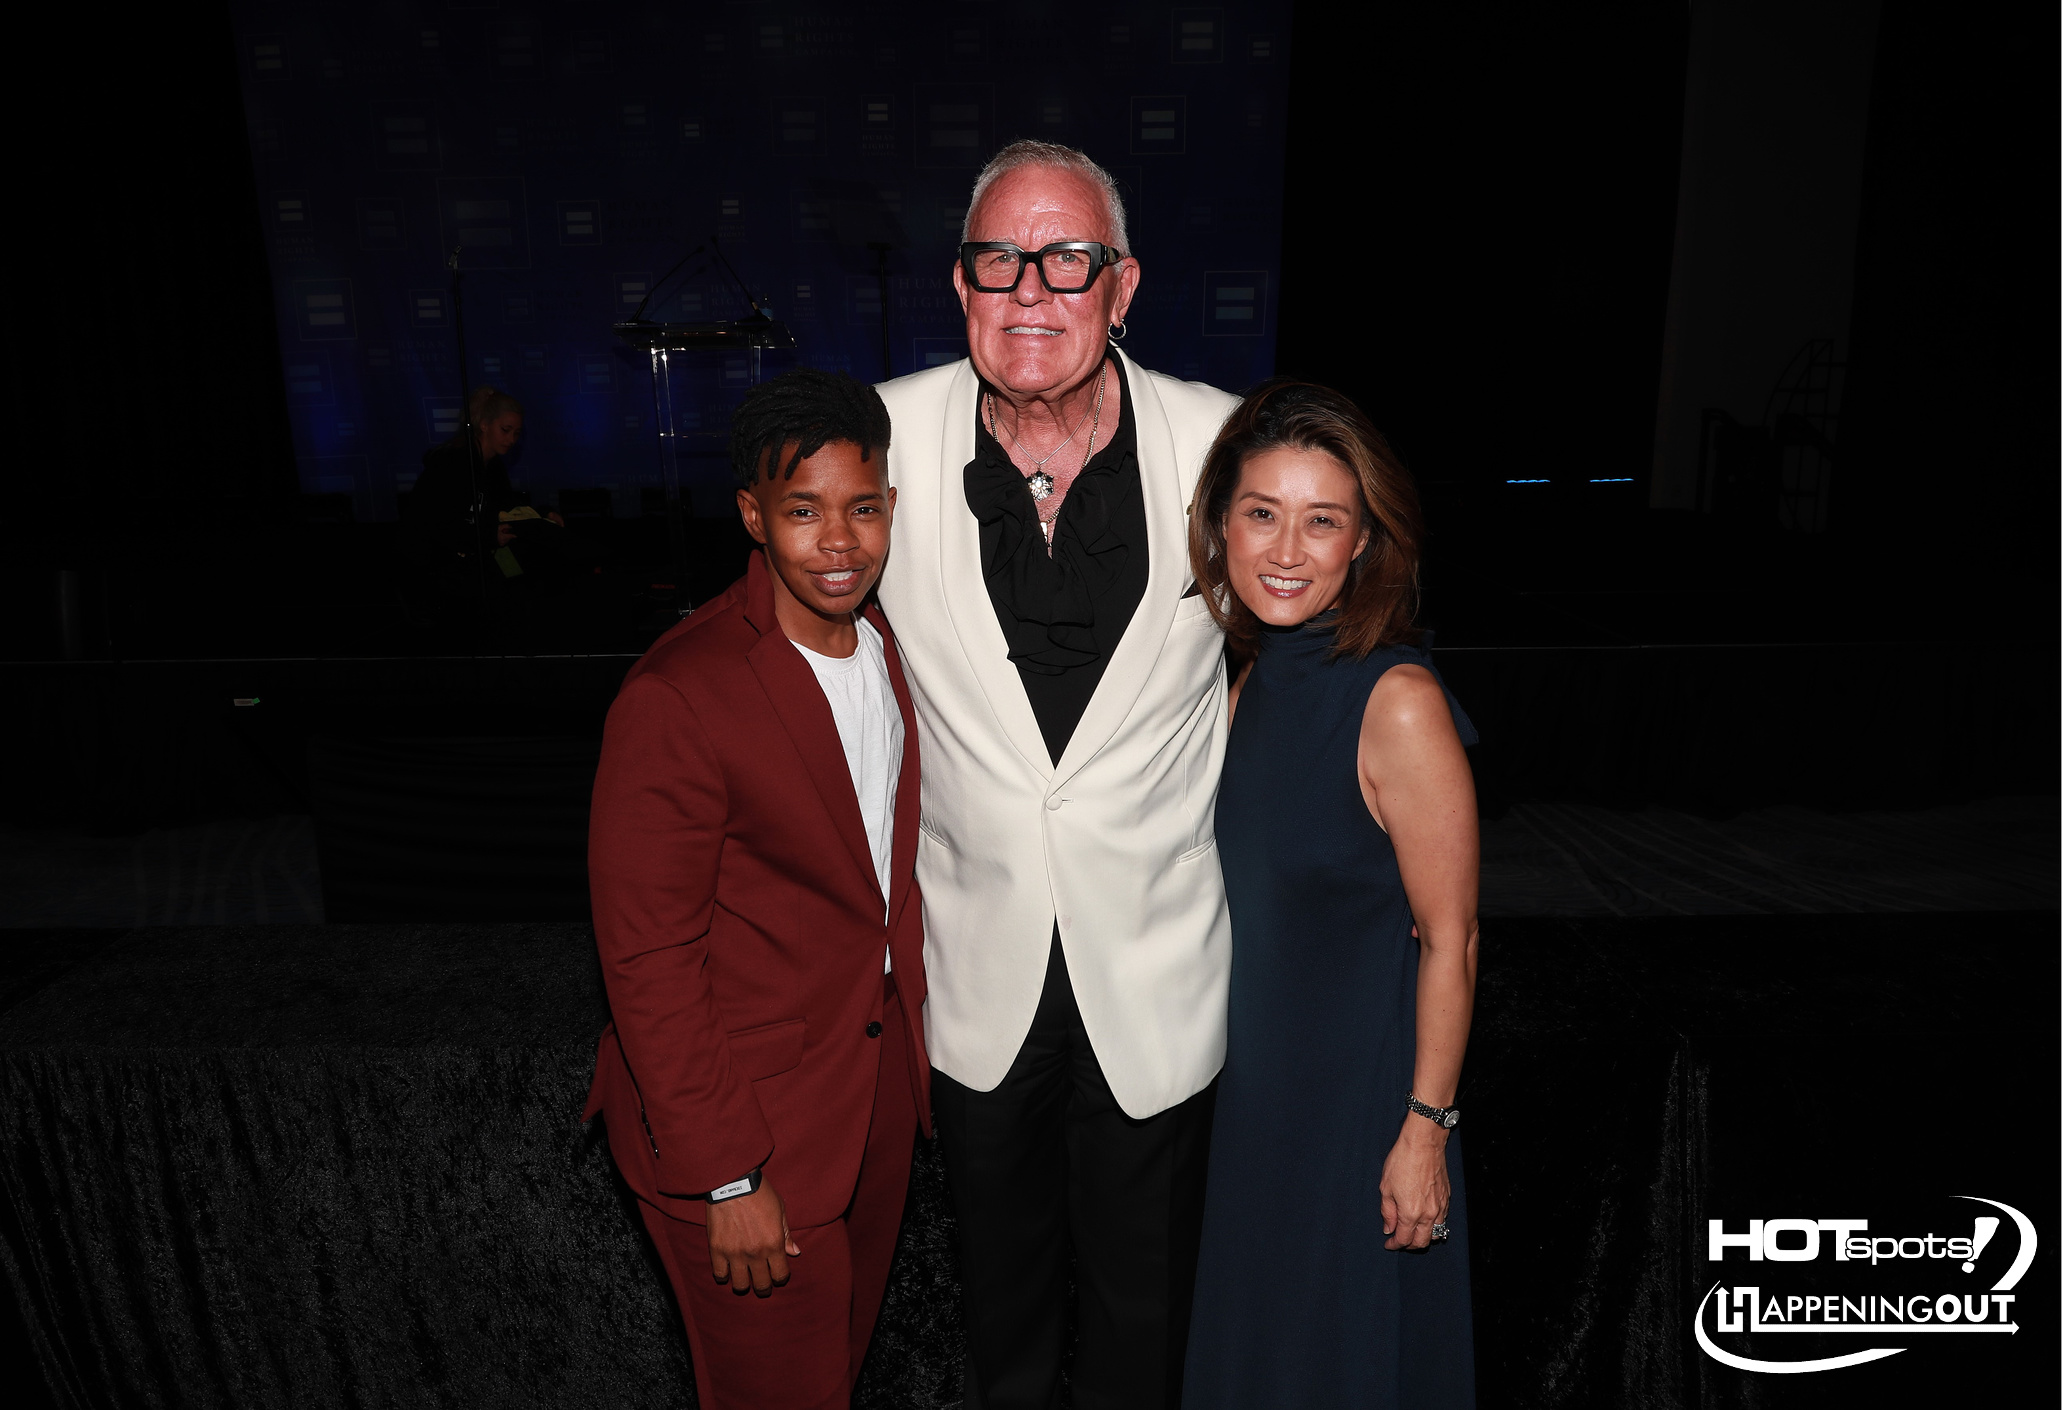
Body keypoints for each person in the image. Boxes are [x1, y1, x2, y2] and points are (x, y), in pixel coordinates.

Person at [873, 140, 1237, 1409]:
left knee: (1145, 1324)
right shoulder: (877, 442)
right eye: (997, 260)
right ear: (959, 282)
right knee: (1001, 1316)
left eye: (1066, 260)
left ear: (1122, 287)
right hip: (975, 979)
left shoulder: (1222, 444)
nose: (1030, 290)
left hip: (1156, 972)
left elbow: (1294, 665)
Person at [584, 369, 927, 1410]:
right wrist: (725, 1175)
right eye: (803, 511)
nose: (838, 542)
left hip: (870, 1102)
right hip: (746, 1139)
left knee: (835, 1378)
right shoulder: (677, 694)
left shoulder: (885, 651)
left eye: (860, 509)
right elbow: (646, 960)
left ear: (890, 510)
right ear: (751, 516)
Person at [1181, 379, 1480, 1408]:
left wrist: (1421, 1133)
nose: (1285, 550)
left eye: (1322, 522)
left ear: (1361, 544)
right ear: (1220, 522)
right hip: (1257, 1099)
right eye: (1261, 513)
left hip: (1360, 1110)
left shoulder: (1394, 702)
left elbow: (1451, 940)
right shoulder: (1250, 674)